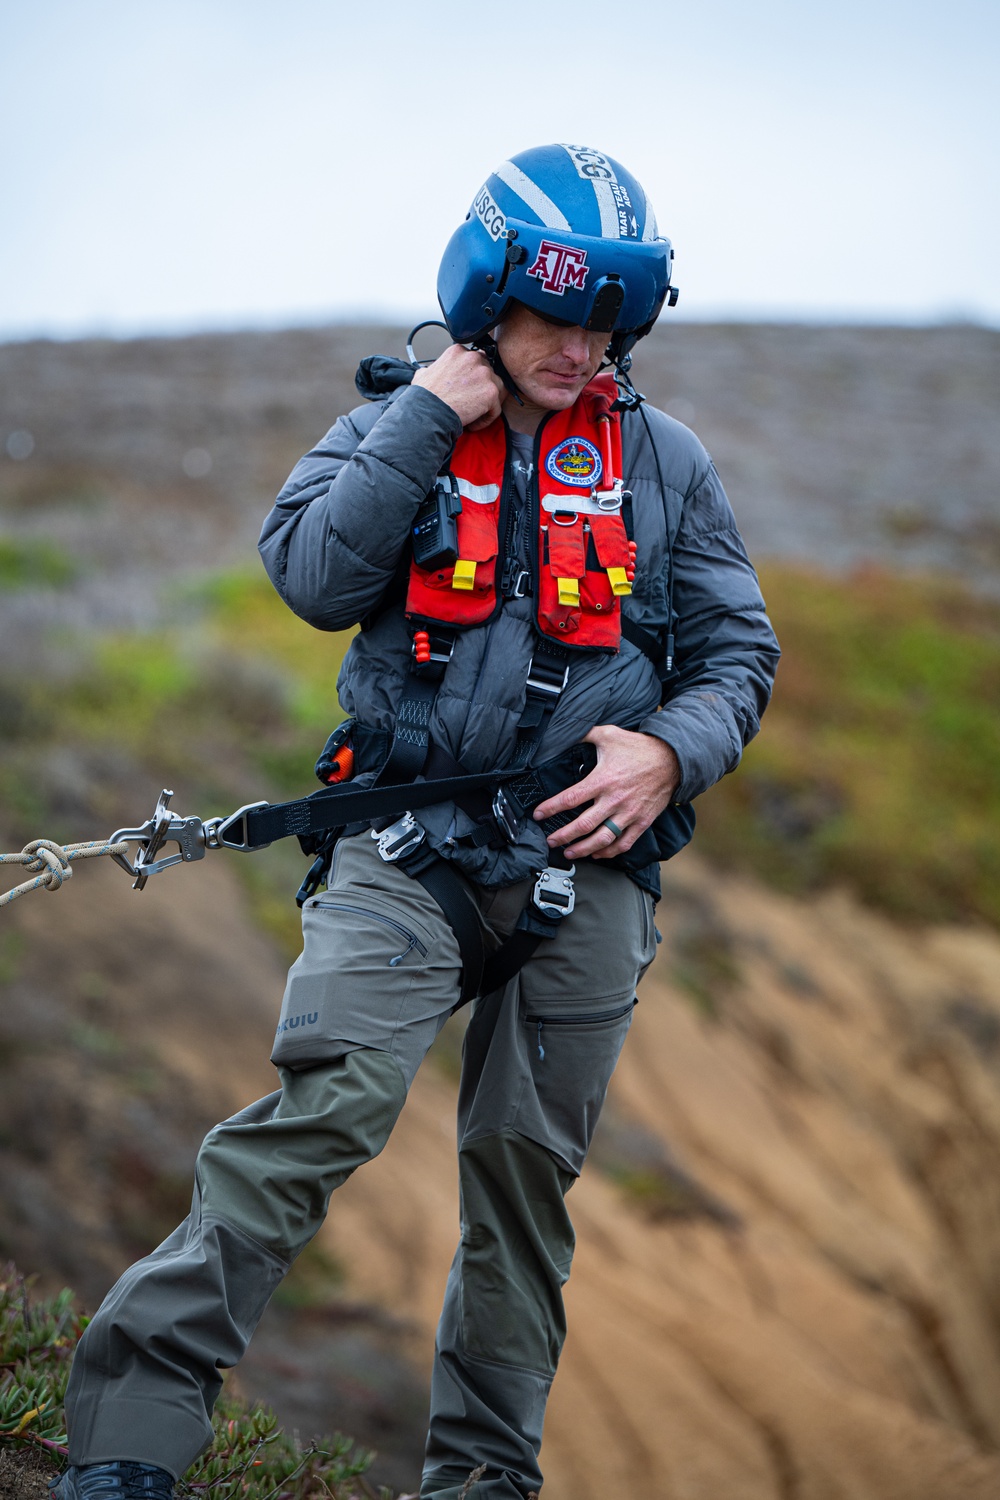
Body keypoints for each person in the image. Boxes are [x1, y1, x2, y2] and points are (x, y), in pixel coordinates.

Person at [55, 144, 780, 1500]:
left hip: (592, 867)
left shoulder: (665, 462)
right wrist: (423, 422)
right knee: (323, 1113)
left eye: (605, 319)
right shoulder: (398, 421)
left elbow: (740, 655)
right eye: (553, 314)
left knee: (523, 1185)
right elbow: (313, 578)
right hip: (405, 852)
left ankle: (481, 1486)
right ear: (484, 297)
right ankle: (128, 1448)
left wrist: (668, 757)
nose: (580, 345)